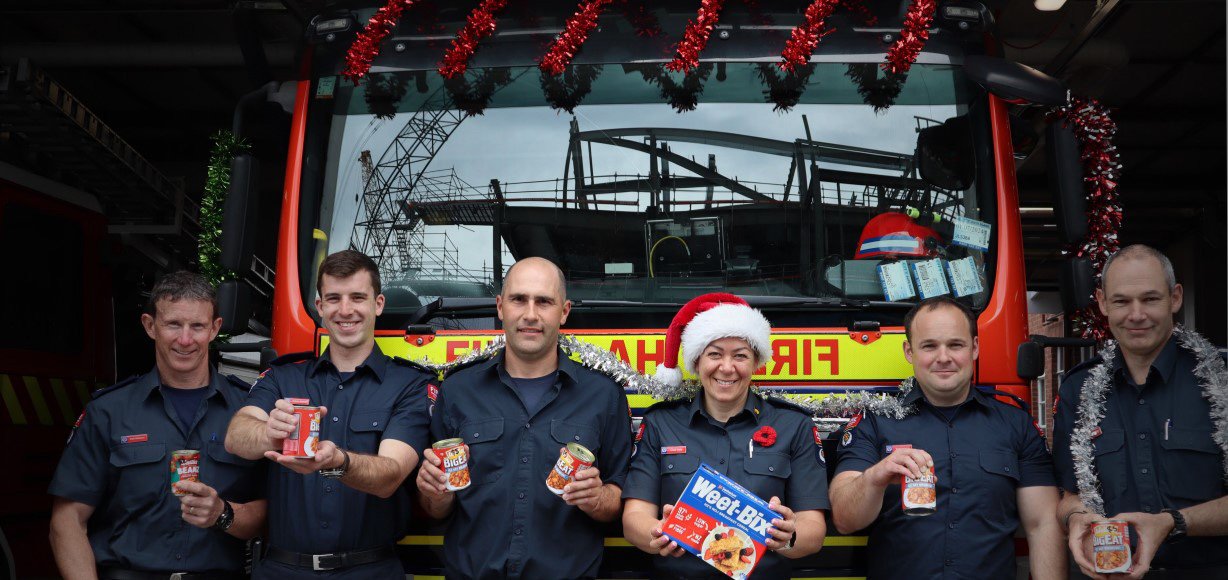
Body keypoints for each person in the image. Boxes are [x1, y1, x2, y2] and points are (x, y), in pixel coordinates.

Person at [415, 257, 632, 579]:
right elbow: (435, 509)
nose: (530, 315)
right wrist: (432, 493)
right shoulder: (458, 390)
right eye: (519, 300)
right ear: (501, 307)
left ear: (564, 311)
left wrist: (598, 498)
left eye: (544, 302)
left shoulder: (603, 395)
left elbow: (619, 499)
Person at [225, 250, 436, 578]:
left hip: (370, 571)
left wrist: (338, 465)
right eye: (334, 298)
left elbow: (389, 477)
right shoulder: (283, 377)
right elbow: (236, 437)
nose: (346, 310)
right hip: (282, 570)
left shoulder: (409, 385)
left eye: (357, 297)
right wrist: (270, 433)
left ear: (378, 304)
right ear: (320, 307)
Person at [49, 271, 266, 580]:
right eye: (173, 324)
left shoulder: (248, 411)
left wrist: (224, 513)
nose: (185, 339)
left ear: (215, 328)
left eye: (198, 326)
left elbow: (274, 512)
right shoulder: (108, 411)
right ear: (150, 326)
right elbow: (67, 520)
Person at [829, 296, 1065, 579]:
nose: (943, 357)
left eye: (956, 344)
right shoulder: (875, 422)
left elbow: (1043, 525)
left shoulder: (1016, 424)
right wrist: (875, 477)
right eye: (929, 346)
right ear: (909, 351)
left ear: (975, 348)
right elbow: (844, 519)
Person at [622, 293, 830, 579]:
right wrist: (655, 533)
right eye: (715, 354)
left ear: (756, 362)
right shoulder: (660, 422)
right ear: (696, 361)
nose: (727, 367)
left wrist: (791, 536)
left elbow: (814, 530)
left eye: (740, 355)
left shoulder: (794, 425)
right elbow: (634, 517)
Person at [1054, 245, 1228, 579]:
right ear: (1103, 303)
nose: (1136, 314)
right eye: (1121, 301)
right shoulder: (1077, 389)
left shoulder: (1220, 378)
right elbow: (1070, 496)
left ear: (1174, 298)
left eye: (1150, 299)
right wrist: (1076, 518)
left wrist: (1172, 523)